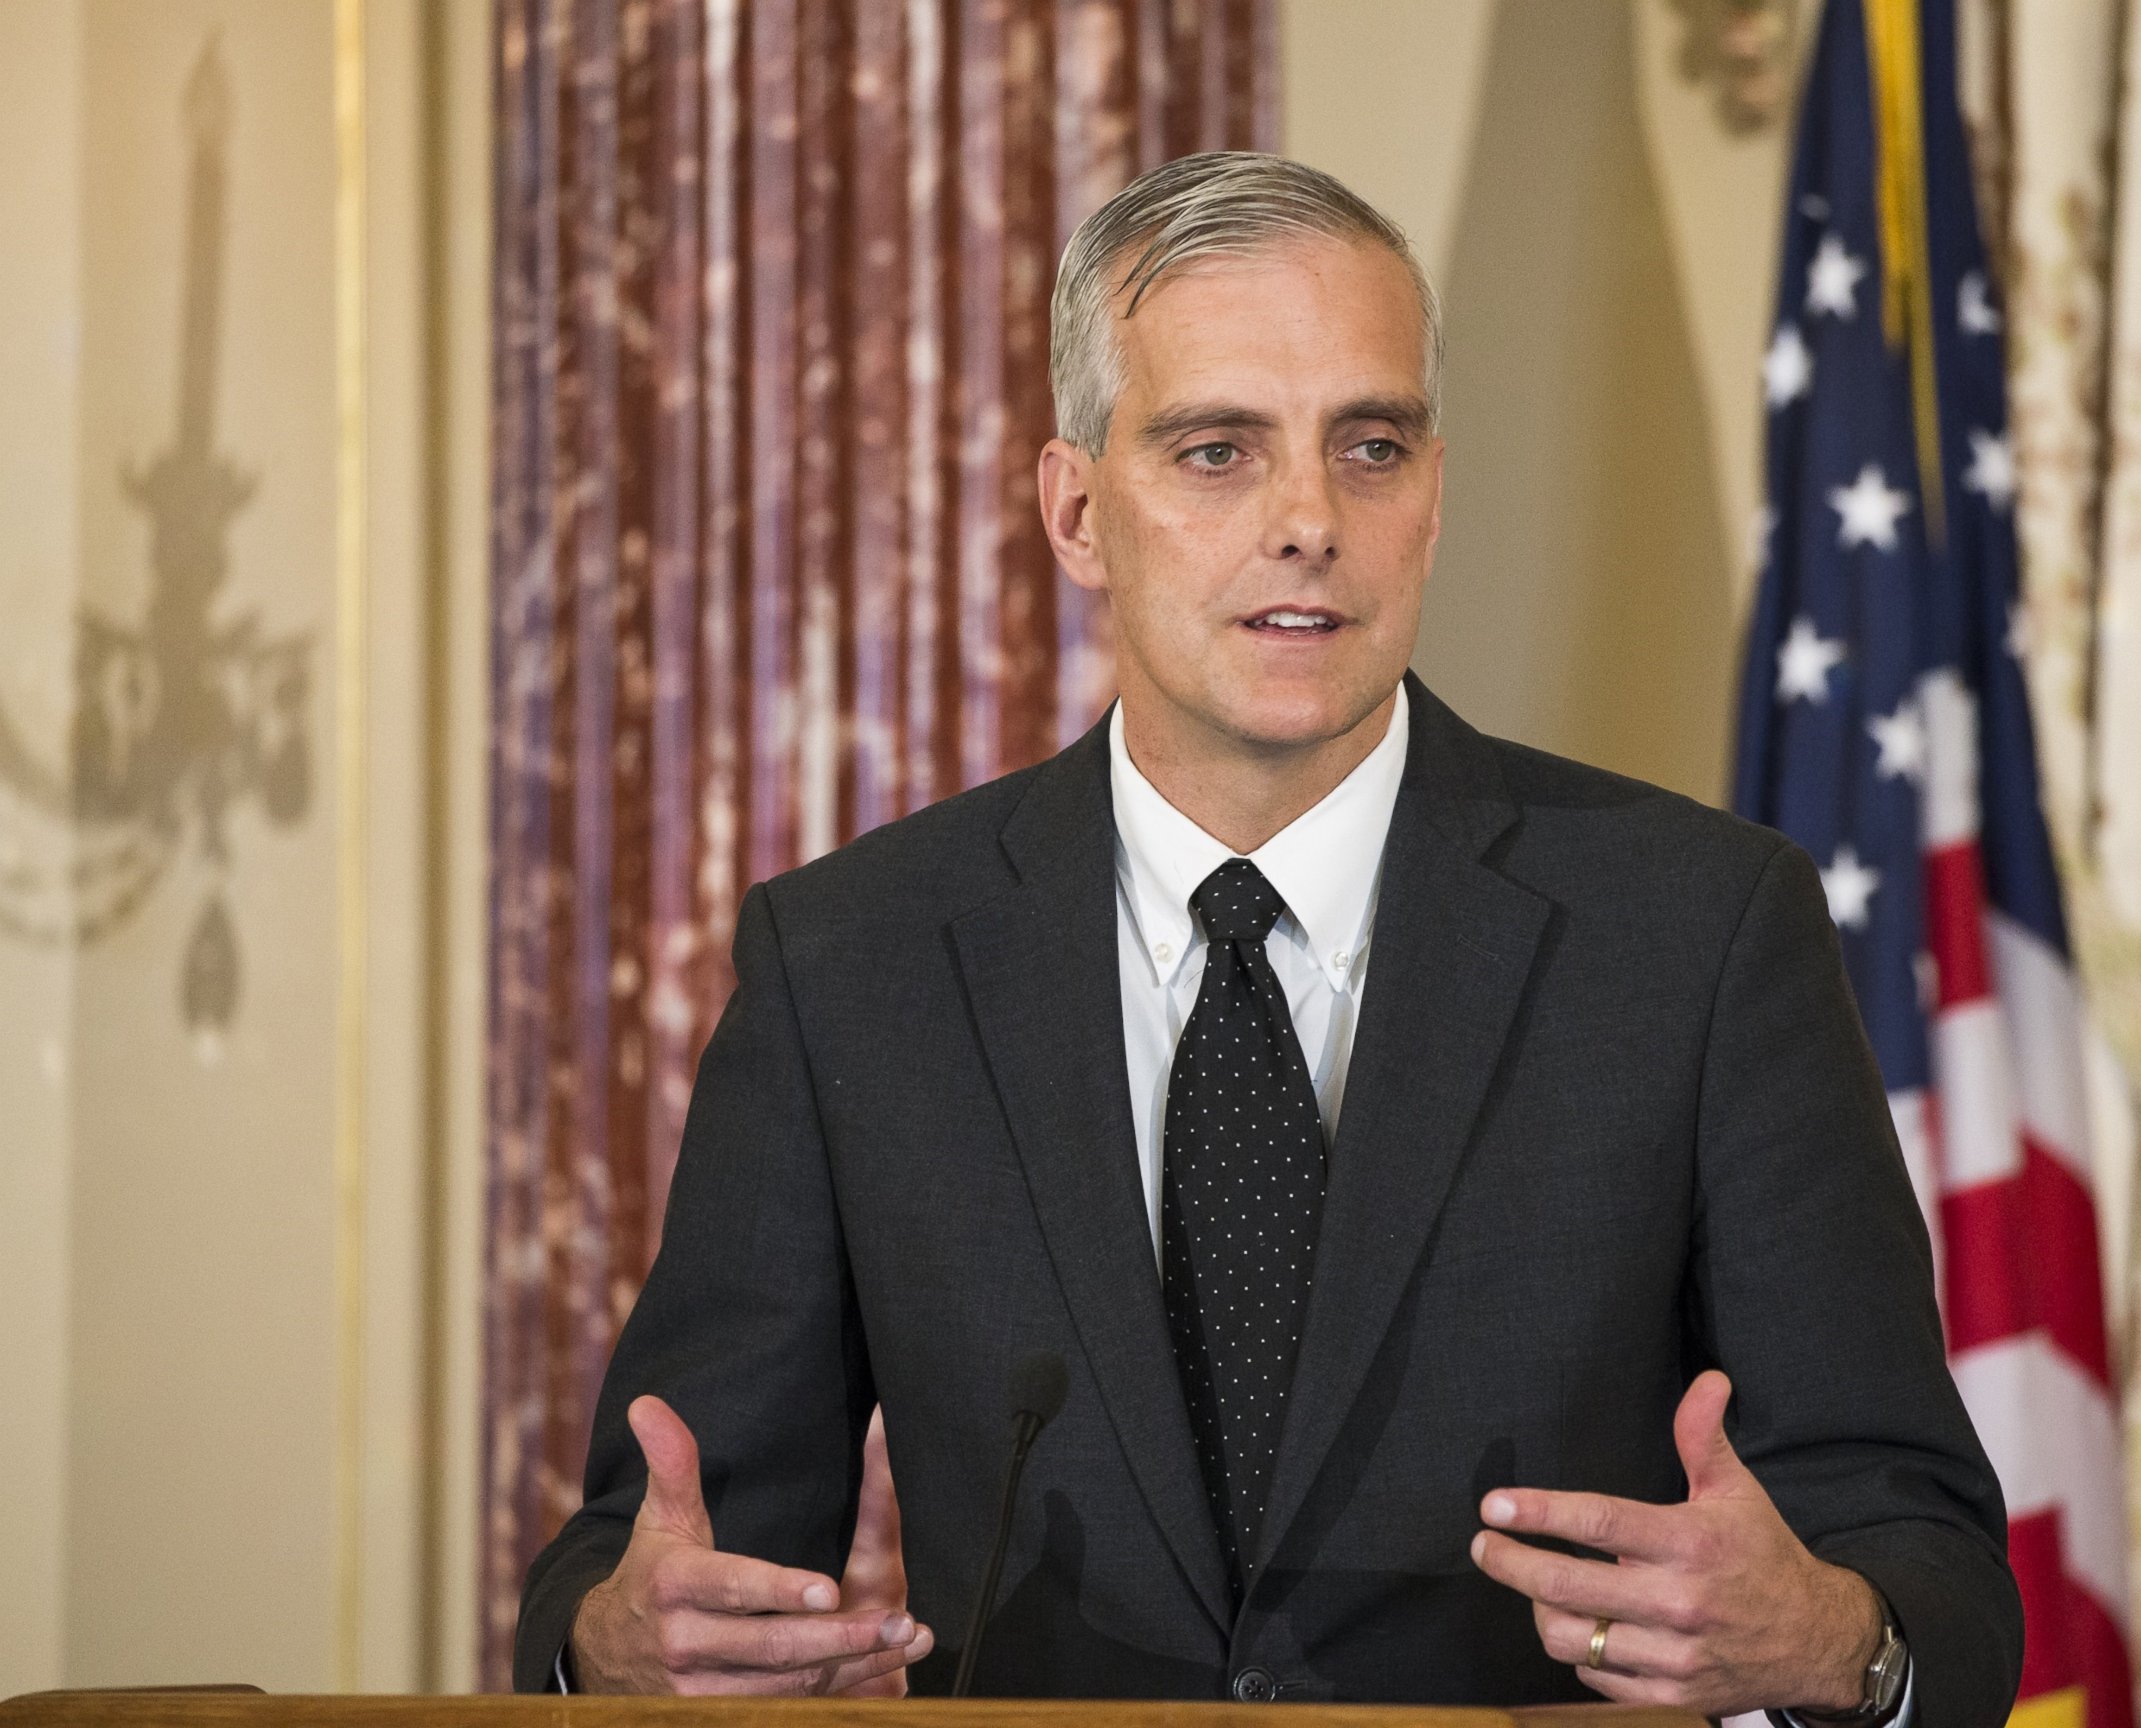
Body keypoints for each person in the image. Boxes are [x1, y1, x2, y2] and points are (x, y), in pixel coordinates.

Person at [517, 151, 2020, 1725]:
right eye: (1218, 450)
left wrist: (1835, 1641)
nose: (1309, 520)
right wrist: (610, 1648)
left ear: (1432, 496)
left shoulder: (1702, 935)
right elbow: (656, 1561)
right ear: (1080, 510)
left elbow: (1926, 1564)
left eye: (1369, 446)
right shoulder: (856, 965)